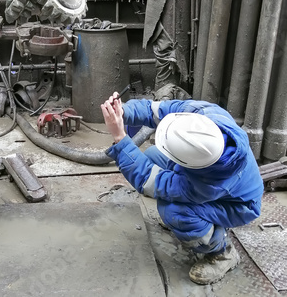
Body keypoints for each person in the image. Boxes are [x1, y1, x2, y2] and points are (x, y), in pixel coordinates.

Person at [101, 94, 264, 285]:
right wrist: (123, 111)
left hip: (239, 207)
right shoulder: (206, 116)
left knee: (175, 212)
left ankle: (222, 252)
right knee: (154, 154)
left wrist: (120, 138)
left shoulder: (206, 184)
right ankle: (206, 224)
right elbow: (158, 110)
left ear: (192, 165)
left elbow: (149, 180)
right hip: (226, 187)